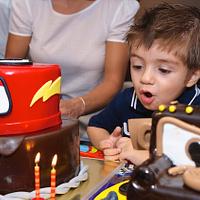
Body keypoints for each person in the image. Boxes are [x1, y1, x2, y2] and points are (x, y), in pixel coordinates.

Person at [5, 0, 140, 140]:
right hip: (35, 121)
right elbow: (11, 71)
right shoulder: (27, 3)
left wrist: (77, 106)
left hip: (92, 126)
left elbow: (113, 82)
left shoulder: (120, 7)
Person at [87, 3, 200, 165]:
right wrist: (107, 144)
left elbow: (191, 161)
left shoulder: (195, 109)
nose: (145, 78)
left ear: (192, 76)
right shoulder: (127, 100)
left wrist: (143, 156)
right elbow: (95, 126)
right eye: (137, 66)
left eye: (163, 70)